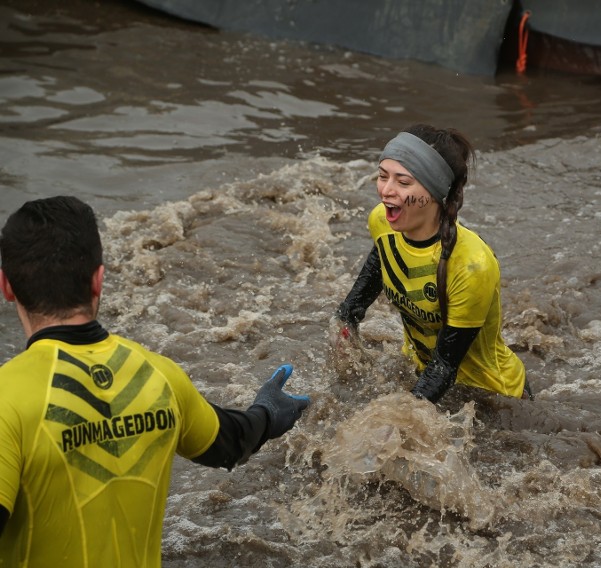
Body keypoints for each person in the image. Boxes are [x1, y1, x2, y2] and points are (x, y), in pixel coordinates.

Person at [0, 196, 310, 566]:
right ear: (99, 279)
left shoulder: (8, 397)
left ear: (6, 286)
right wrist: (270, 410)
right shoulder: (159, 374)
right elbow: (232, 443)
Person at [333, 124, 531, 403]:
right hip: (422, 377)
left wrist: (395, 418)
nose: (386, 191)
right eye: (382, 176)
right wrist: (346, 321)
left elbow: (444, 367)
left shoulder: (472, 265)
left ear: (435, 192)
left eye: (403, 183)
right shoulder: (382, 220)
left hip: (489, 398)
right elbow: (381, 263)